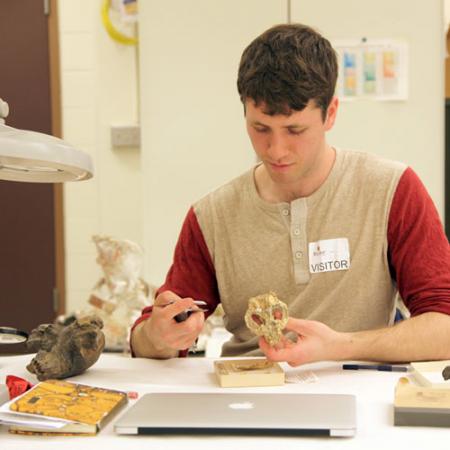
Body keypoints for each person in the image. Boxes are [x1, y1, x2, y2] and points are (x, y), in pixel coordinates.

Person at [131, 23, 450, 366]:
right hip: (249, 396)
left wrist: (338, 345)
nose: (276, 150)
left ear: (331, 113)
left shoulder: (392, 190)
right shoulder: (212, 215)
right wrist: (157, 335)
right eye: (260, 128)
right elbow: (147, 338)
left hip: (359, 392)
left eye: (295, 130)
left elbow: (444, 329)